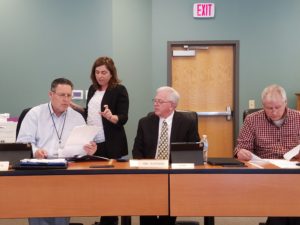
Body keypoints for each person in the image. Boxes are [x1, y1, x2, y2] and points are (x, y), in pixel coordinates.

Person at [17, 78, 97, 225]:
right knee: (38, 212)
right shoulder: (35, 114)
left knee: (61, 215)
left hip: (66, 171)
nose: (66, 100)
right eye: (62, 95)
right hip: (39, 170)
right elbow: (23, 142)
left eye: (69, 95)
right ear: (51, 94)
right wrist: (35, 151)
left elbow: (82, 146)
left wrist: (89, 149)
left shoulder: (77, 117)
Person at [71, 56, 129, 225]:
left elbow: (124, 117)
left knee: (110, 185)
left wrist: (112, 117)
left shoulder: (119, 90)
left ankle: (110, 220)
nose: (100, 76)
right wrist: (77, 108)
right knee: (97, 183)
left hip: (111, 143)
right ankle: (104, 216)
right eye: (97, 72)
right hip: (94, 143)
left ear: (111, 74)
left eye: (104, 72)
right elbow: (91, 112)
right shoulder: (92, 89)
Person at [132, 86, 200, 225]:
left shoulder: (187, 123)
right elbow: (137, 151)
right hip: (149, 172)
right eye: (155, 100)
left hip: (174, 173)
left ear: (172, 105)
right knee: (147, 211)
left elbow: (193, 152)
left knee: (167, 214)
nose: (155, 104)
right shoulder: (144, 122)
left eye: (160, 101)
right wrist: (144, 168)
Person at [235, 84, 300, 225]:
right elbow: (241, 147)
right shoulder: (252, 120)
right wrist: (241, 152)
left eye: (278, 107)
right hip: (264, 171)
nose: (274, 111)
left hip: (294, 171)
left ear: (285, 103)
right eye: (269, 108)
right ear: (263, 105)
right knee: (288, 199)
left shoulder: (298, 118)